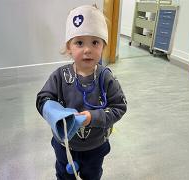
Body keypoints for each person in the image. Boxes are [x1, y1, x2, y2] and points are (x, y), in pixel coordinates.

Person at [36, 4, 127, 180]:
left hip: (95, 148)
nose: (88, 49)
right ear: (69, 47)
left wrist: (93, 118)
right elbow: (42, 99)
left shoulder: (105, 78)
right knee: (64, 176)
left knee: (92, 176)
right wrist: (55, 112)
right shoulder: (60, 76)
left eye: (95, 42)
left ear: (103, 46)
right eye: (79, 42)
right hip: (64, 147)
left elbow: (119, 107)